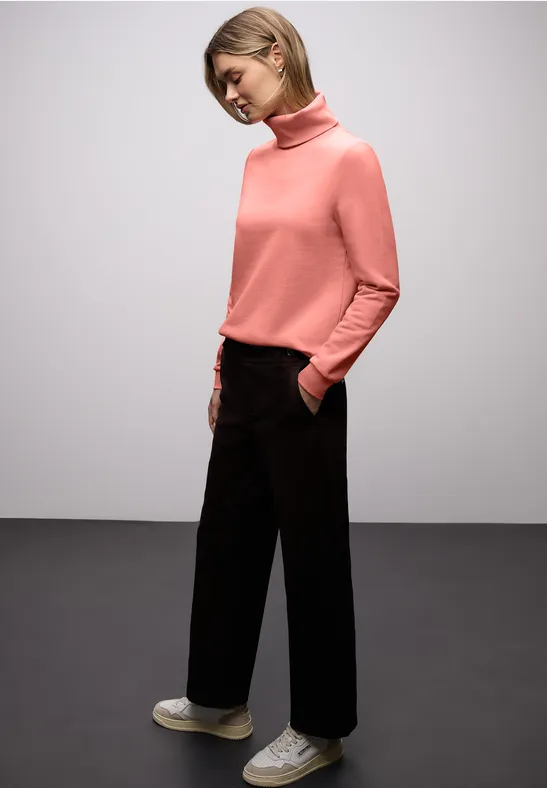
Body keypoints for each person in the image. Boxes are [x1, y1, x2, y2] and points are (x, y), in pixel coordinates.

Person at [152, 7, 400, 786]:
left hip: (300, 379)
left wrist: (316, 377)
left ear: (274, 52)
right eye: (219, 87)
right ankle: (217, 700)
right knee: (225, 541)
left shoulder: (348, 157)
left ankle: (319, 731)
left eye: (234, 76)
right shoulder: (259, 162)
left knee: (313, 557)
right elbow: (249, 280)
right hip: (245, 370)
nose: (230, 95)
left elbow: (378, 285)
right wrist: (221, 371)